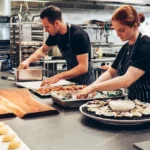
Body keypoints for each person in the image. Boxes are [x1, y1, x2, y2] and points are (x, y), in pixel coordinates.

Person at [77, 5, 150, 102]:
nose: (117, 34)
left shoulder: (146, 46)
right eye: (116, 30)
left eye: (121, 30)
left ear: (135, 26)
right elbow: (111, 72)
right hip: (135, 102)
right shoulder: (125, 47)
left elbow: (126, 80)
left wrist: (94, 88)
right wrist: (92, 85)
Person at [18, 5, 95, 86]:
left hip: (85, 82)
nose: (45, 30)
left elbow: (83, 67)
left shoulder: (78, 35)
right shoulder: (55, 35)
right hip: (70, 79)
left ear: (57, 23)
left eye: (47, 27)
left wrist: (58, 76)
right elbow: (43, 50)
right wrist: (27, 61)